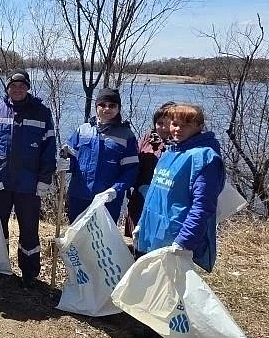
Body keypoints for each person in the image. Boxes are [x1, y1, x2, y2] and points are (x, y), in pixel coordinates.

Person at [0, 71, 57, 287]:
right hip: (0, 182)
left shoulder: (42, 112)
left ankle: (29, 273)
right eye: (13, 86)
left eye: (22, 85)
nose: (17, 89)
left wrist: (44, 179)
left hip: (29, 185)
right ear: (8, 88)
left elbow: (49, 149)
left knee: (29, 230)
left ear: (28, 88)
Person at [135, 103, 225, 272]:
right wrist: (142, 224)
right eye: (175, 124)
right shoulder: (169, 152)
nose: (178, 129)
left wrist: (184, 241)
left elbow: (203, 206)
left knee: (171, 294)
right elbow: (154, 195)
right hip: (154, 233)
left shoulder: (205, 158)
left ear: (199, 126)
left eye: (186, 125)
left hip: (176, 238)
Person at [61, 88, 139, 224]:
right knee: (76, 240)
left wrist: (116, 190)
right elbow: (70, 160)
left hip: (108, 201)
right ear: (96, 107)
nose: (107, 109)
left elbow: (131, 171)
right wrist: (64, 164)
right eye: (102, 105)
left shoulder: (127, 135)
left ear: (118, 108)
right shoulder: (82, 130)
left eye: (112, 105)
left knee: (100, 243)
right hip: (79, 196)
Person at [125, 101, 174, 238]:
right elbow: (133, 163)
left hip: (165, 206)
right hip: (139, 201)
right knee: (136, 243)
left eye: (169, 123)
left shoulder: (182, 146)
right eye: (160, 123)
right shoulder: (147, 139)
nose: (164, 128)